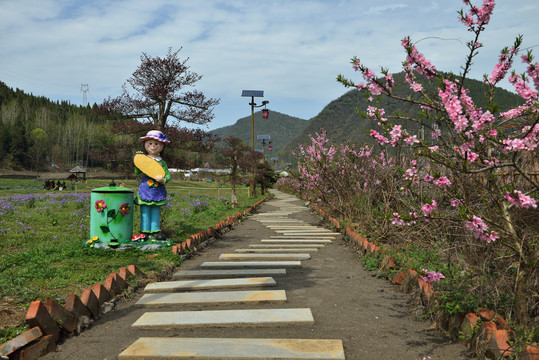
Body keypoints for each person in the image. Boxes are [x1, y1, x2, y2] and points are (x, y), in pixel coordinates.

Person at [134, 130, 170, 240]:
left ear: (162, 145)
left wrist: (163, 180)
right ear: (145, 144)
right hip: (145, 189)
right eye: (150, 143)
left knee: (155, 210)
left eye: (156, 144)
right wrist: (137, 161)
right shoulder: (144, 160)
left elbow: (167, 175)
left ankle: (155, 231)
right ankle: (144, 231)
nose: (153, 146)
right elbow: (137, 172)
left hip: (157, 190)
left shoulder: (162, 162)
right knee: (145, 211)